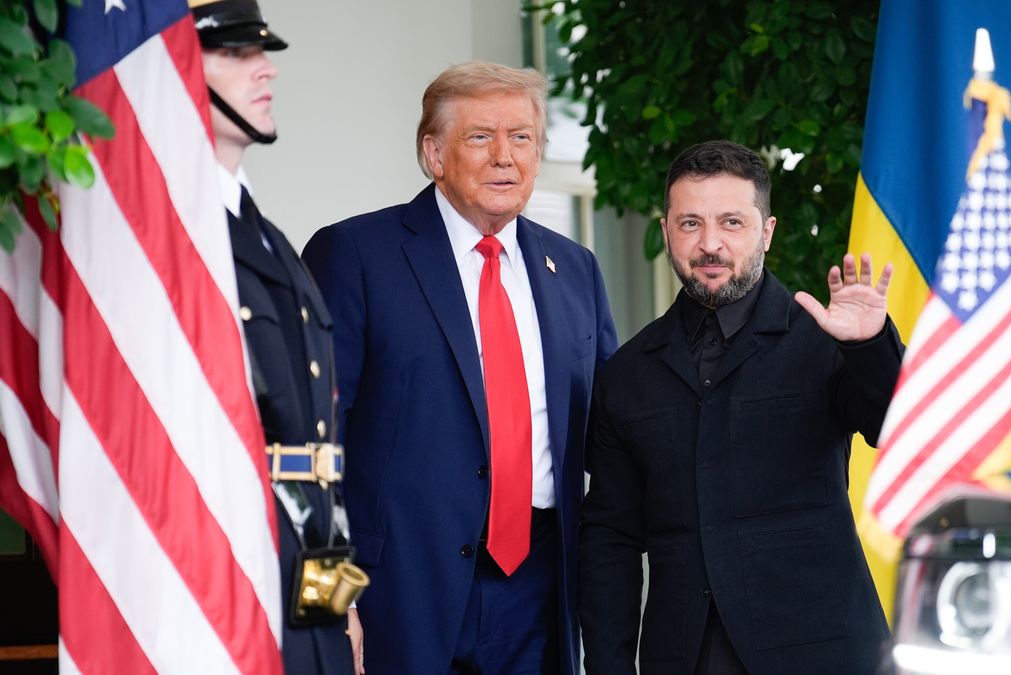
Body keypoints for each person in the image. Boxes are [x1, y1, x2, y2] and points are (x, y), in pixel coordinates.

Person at [302, 62, 618, 674]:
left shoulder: (575, 268)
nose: (505, 156)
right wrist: (324, 606)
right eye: (480, 137)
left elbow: (614, 436)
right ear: (434, 154)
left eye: (522, 137)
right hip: (395, 600)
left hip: (541, 596)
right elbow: (310, 445)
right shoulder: (355, 255)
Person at [578, 141, 901, 675]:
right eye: (689, 224)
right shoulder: (627, 373)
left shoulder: (824, 339)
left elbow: (895, 426)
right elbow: (610, 539)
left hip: (822, 653)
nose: (710, 244)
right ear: (665, 233)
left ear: (766, 232)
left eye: (731, 222)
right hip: (683, 657)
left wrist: (869, 345)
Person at [191, 1, 361, 672]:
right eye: (234, 54)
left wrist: (339, 606)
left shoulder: (267, 237)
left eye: (261, 52)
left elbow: (314, 461)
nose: (266, 71)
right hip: (231, 579)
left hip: (304, 585)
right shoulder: (178, 237)